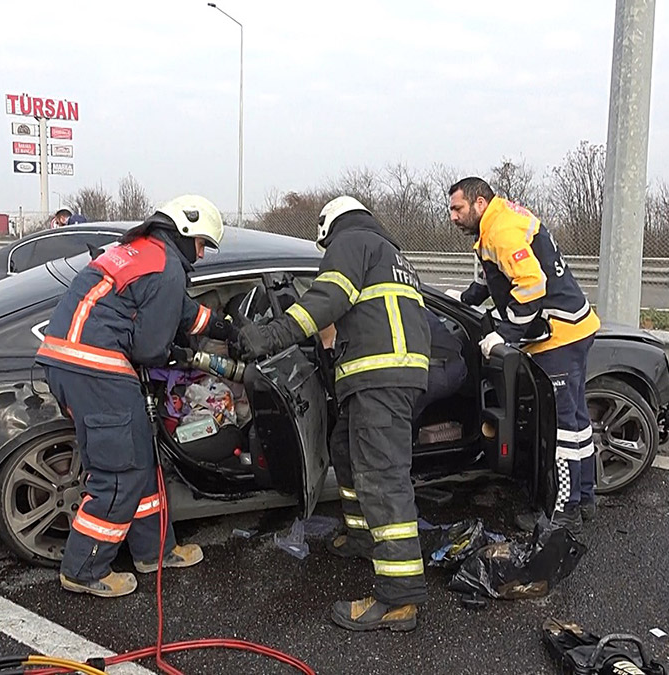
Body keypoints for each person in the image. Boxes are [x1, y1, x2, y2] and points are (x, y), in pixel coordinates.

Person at [235, 196, 431, 632]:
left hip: (380, 377)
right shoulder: (387, 252)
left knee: (382, 479)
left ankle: (399, 599)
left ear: (328, 227)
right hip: (387, 376)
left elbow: (325, 301)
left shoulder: (352, 241)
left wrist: (271, 336)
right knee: (345, 450)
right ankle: (363, 536)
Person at [35, 195, 237, 598]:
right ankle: (84, 569)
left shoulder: (142, 253)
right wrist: (181, 356)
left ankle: (154, 552)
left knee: (141, 459)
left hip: (79, 363)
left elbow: (179, 311)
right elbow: (149, 348)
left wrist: (226, 327)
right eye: (200, 244)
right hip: (95, 368)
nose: (200, 255)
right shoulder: (166, 268)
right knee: (119, 470)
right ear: (183, 231)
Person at [446, 177, 601, 536]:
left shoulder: (500, 230)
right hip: (575, 325)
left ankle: (564, 512)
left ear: (479, 203)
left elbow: (531, 284)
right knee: (577, 421)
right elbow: (497, 275)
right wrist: (467, 299)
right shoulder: (497, 225)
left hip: (557, 335)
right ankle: (585, 498)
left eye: (458, 208)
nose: (452, 216)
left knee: (563, 429)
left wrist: (507, 334)